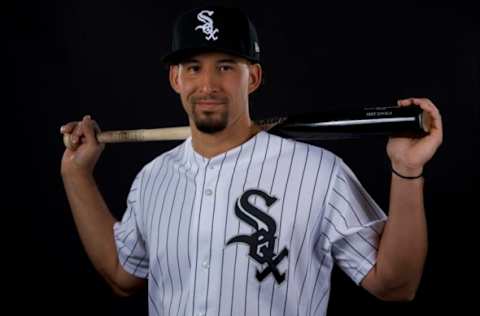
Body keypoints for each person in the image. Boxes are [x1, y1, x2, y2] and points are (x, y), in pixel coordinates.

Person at [60, 5, 443, 316]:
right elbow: (121, 277)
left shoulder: (319, 172)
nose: (208, 84)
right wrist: (77, 174)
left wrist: (407, 170)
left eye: (226, 66)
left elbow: (396, 286)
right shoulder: (152, 179)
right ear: (176, 78)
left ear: (254, 77)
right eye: (194, 67)